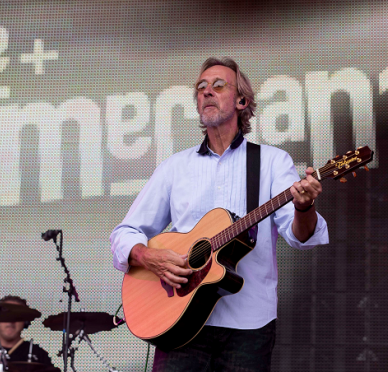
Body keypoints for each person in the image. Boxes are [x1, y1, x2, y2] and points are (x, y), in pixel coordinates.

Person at [110, 57, 329, 371]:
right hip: (177, 320)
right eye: (201, 88)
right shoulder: (175, 167)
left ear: (242, 101)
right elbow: (124, 233)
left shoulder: (271, 162)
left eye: (218, 85)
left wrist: (304, 206)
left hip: (249, 327)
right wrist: (148, 257)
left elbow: (299, 236)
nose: (206, 92)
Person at [0, 295, 54, 368]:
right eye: (6, 316)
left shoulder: (38, 354)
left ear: (25, 322)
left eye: (17, 316)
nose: (10, 322)